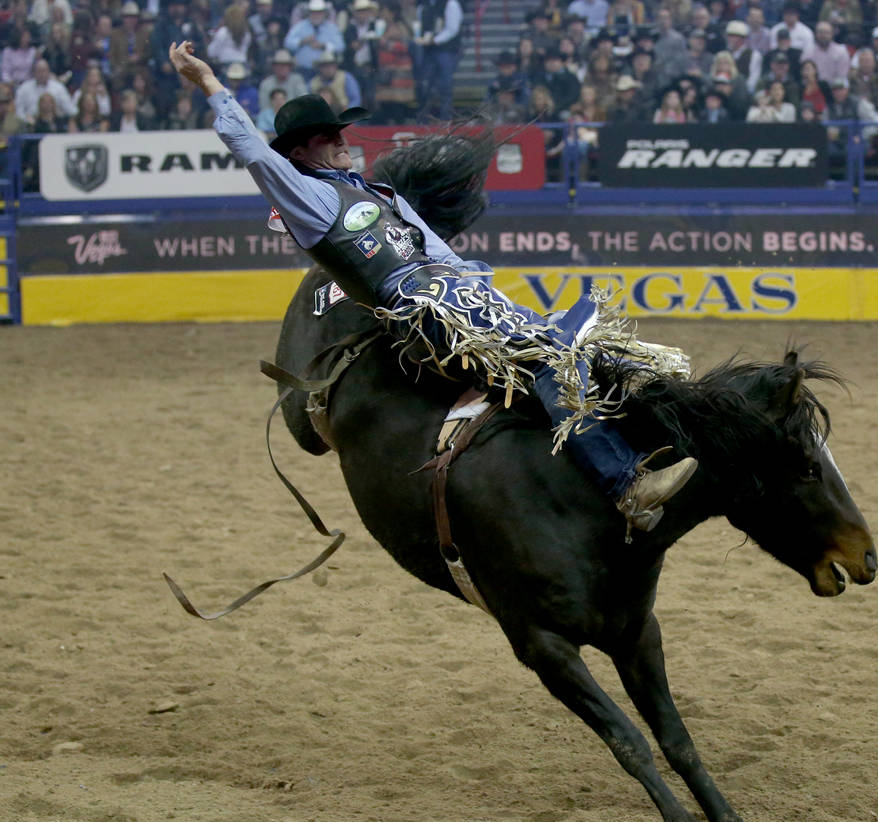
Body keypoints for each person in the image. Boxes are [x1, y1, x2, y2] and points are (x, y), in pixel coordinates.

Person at [168, 39, 699, 534]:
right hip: (419, 309)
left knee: (573, 337)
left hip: (453, 292)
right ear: (301, 154)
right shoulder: (310, 199)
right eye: (327, 137)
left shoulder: (377, 194)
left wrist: (474, 283)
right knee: (546, 353)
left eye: (339, 132)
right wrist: (210, 83)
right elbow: (254, 153)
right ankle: (624, 484)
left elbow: (435, 250)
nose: (340, 140)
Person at [415, 0, 462, 121]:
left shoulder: (451, 4)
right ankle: (423, 120)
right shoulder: (423, 6)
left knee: (445, 86)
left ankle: (446, 118)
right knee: (425, 86)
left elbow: (452, 29)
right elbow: (422, 26)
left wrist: (435, 40)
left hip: (446, 50)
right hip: (428, 51)